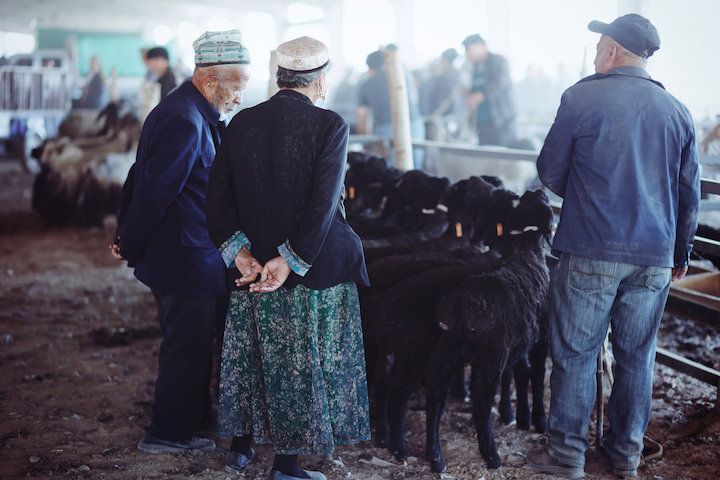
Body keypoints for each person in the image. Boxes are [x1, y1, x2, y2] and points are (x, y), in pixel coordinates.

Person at [527, 14, 700, 479]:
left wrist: (587, 196)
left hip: (590, 249)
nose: (598, 51)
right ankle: (625, 455)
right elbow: (689, 194)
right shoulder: (677, 110)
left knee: (576, 354)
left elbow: (550, 172)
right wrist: (680, 253)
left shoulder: (581, 97)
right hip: (654, 258)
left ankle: (566, 457)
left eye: (601, 44)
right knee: (637, 357)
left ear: (611, 50)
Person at [205, 36, 371, 480]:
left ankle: (240, 449)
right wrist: (291, 260)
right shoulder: (330, 125)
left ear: (279, 76)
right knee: (301, 358)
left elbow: (217, 197)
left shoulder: (241, 122)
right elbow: (322, 205)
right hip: (309, 270)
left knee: (254, 355)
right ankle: (286, 466)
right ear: (320, 80)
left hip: (252, 268)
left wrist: (240, 253)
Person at [109, 30, 251, 455]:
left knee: (193, 343)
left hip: (192, 255)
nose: (240, 97)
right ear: (210, 81)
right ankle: (166, 434)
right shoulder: (185, 120)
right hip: (184, 257)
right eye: (237, 86)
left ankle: (195, 421)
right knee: (185, 348)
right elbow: (152, 189)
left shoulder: (188, 110)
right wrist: (129, 242)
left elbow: (141, 176)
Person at [356, 49, 426, 169]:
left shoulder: (366, 85)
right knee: (416, 168)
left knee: (394, 173)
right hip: (414, 124)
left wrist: (365, 142)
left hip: (386, 129)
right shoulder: (404, 76)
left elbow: (363, 119)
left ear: (369, 68)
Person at [460, 34, 516, 147]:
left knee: (502, 160)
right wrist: (469, 94)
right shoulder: (475, 67)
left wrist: (478, 96)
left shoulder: (498, 61)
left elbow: (499, 84)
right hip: (483, 126)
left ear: (480, 45)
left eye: (469, 50)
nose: (467, 55)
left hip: (500, 125)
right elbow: (478, 88)